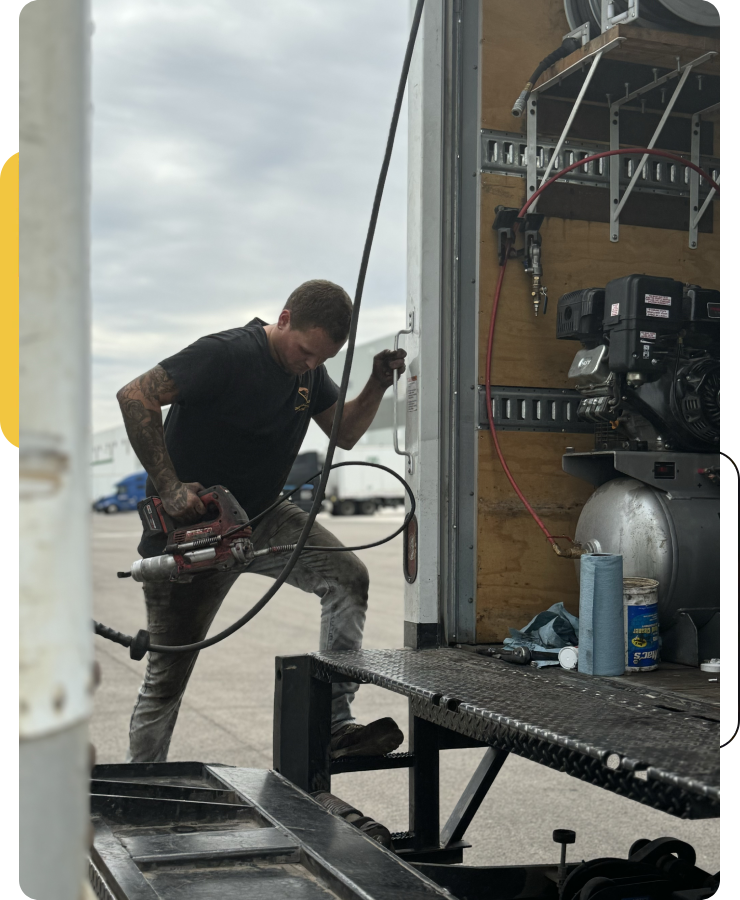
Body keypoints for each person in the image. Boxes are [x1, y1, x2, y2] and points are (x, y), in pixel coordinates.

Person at [117, 279, 407, 763]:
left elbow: (345, 433)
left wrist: (377, 383)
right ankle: (140, 788)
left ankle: (336, 725)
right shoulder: (226, 354)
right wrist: (169, 487)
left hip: (264, 517)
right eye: (306, 352)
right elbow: (134, 395)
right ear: (285, 318)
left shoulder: (308, 373)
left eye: (322, 359)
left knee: (347, 578)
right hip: (193, 535)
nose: (310, 365)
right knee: (167, 677)